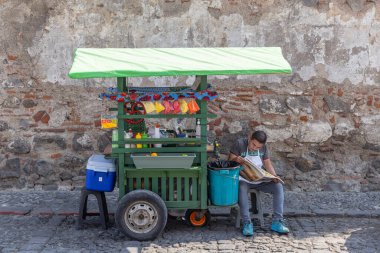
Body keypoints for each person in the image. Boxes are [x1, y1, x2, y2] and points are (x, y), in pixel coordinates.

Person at [228, 130, 289, 236]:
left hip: (259, 180)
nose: (254, 148)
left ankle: (277, 221)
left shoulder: (264, 148)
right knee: (241, 188)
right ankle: (247, 222)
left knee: (278, 186)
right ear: (249, 138)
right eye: (253, 144)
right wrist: (237, 159)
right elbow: (229, 160)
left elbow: (267, 163)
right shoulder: (239, 144)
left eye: (258, 147)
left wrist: (274, 176)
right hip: (244, 180)